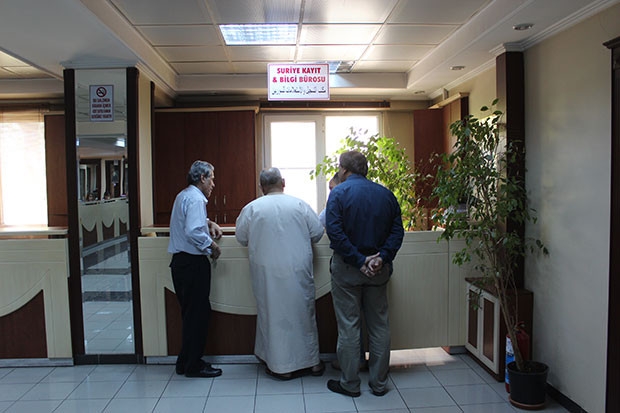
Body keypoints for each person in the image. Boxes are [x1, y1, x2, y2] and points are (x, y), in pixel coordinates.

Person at [325, 150, 404, 397]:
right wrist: (381, 258)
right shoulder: (386, 195)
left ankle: (350, 384)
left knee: (349, 326)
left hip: (348, 270)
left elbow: (335, 233)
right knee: (379, 325)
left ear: (344, 170)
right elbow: (397, 233)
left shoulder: (338, 194)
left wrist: (359, 261)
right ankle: (379, 384)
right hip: (378, 271)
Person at [235, 167, 326, 380]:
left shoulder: (252, 208)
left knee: (272, 316)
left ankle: (281, 367)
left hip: (267, 273)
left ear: (261, 187)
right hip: (297, 270)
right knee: (303, 314)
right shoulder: (299, 205)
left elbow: (241, 237)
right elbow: (317, 233)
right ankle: (312, 363)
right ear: (283, 182)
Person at [168, 160, 223, 378]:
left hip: (180, 264)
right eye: (212, 179)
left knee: (190, 315)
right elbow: (192, 230)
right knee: (198, 315)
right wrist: (212, 246)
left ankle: (185, 361)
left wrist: (208, 222)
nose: (213, 184)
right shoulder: (197, 199)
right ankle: (194, 365)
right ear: (202, 178)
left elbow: (191, 221)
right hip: (193, 264)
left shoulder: (184, 195)